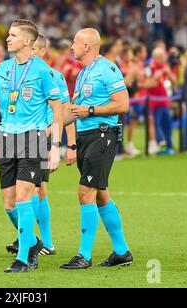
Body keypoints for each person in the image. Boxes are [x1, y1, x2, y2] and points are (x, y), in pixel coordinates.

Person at [0, 19, 63, 273]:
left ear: (27, 40)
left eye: (13, 35)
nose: (7, 38)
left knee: (24, 195)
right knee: (9, 204)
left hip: (33, 138)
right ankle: (34, 242)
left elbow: (57, 110)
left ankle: (24, 259)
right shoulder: (3, 69)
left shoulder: (43, 72)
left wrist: (55, 145)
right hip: (6, 139)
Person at [61, 28, 133, 269]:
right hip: (85, 136)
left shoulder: (108, 69)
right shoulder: (84, 74)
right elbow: (74, 109)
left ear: (88, 47)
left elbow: (123, 104)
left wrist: (90, 111)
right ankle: (122, 251)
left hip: (103, 135)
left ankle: (84, 255)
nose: (71, 47)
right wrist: (50, 124)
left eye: (75, 43)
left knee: (86, 192)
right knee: (100, 194)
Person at [5, 33, 74, 256]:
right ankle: (33, 238)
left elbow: (64, 111)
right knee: (31, 190)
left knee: (36, 189)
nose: (29, 55)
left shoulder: (53, 76)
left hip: (41, 137)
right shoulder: (14, 73)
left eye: (34, 50)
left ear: (42, 52)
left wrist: (70, 144)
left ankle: (42, 241)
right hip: (18, 137)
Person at [145, 48, 177, 155]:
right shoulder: (150, 68)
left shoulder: (166, 66)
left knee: (168, 124)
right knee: (156, 124)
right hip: (154, 102)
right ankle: (159, 144)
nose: (164, 58)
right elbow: (147, 84)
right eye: (162, 56)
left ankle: (169, 146)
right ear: (156, 58)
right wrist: (155, 77)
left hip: (165, 101)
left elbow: (174, 81)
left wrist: (169, 74)